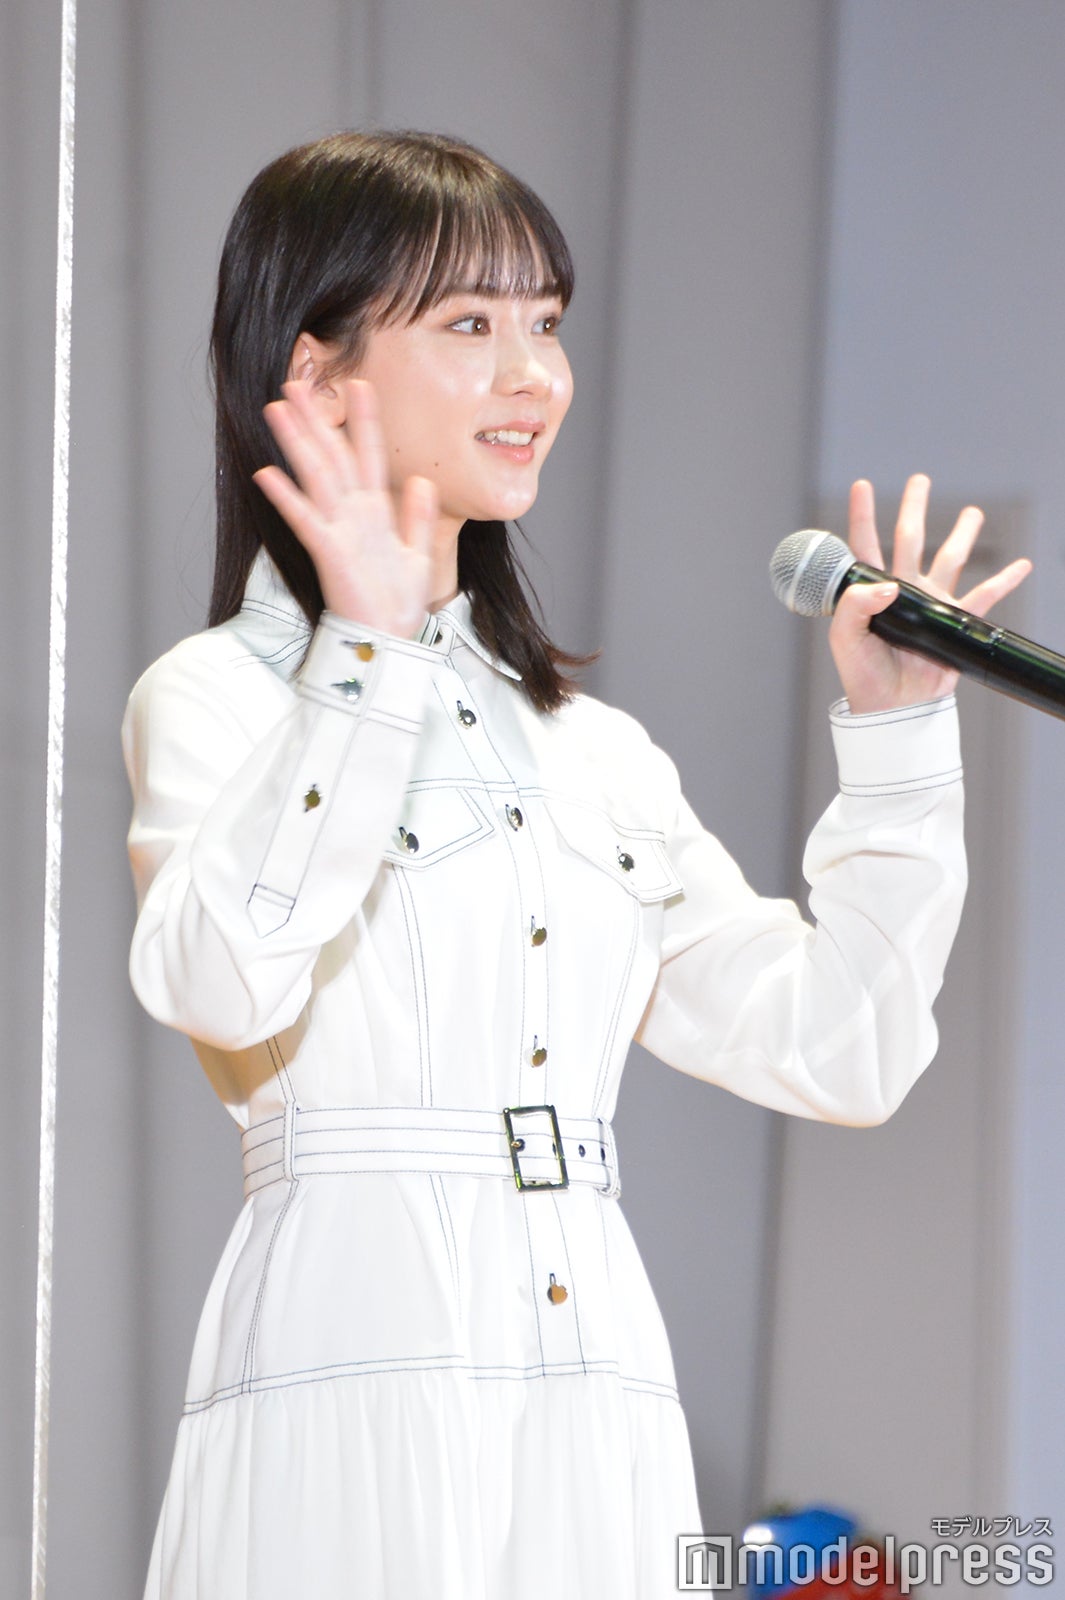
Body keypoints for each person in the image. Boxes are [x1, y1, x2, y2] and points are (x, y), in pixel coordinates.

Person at [121, 129, 1029, 1600]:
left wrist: (897, 741)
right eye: (468, 325)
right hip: (354, 1367)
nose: (533, 375)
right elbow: (219, 981)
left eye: (544, 324)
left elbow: (840, 1049)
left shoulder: (593, 751)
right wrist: (365, 658)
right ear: (321, 376)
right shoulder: (218, 697)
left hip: (597, 1381)